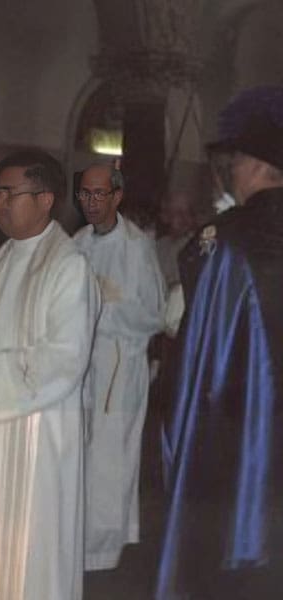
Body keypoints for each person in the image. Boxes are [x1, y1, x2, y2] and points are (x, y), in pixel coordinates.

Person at [0, 149, 99, 600]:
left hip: (39, 436)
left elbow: (67, 358)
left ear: (46, 199)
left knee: (30, 552)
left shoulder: (68, 267)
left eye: (12, 193)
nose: (2, 203)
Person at [156, 85, 283, 600]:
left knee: (225, 555)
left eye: (235, 162)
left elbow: (201, 341)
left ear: (254, 166)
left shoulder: (223, 238)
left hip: (233, 424)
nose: (230, 170)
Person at [73, 162, 166, 570]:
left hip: (119, 365)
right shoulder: (75, 243)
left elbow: (153, 314)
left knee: (111, 456)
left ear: (116, 196)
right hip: (80, 364)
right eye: (85, 194)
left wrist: (106, 308)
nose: (92, 202)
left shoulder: (137, 247)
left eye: (99, 194)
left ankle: (104, 548)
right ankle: (76, 538)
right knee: (80, 452)